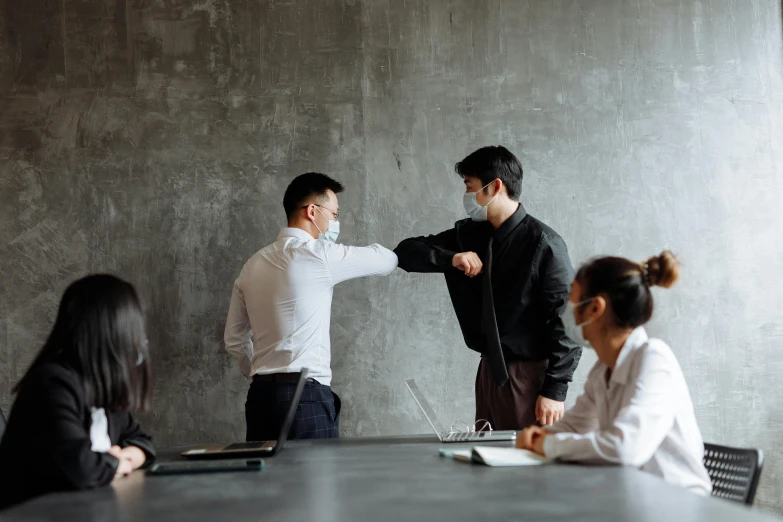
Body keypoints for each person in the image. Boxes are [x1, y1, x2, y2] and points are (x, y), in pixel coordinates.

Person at [395, 146, 581, 430]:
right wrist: (451, 258)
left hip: (529, 375)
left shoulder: (543, 243)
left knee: (527, 466)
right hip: (489, 371)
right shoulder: (469, 234)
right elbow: (406, 252)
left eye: (469, 186)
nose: (467, 195)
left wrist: (555, 390)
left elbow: (569, 321)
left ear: (495, 186)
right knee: (488, 463)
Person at [516, 251, 712, 495]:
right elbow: (576, 426)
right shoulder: (602, 369)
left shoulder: (654, 358)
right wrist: (540, 435)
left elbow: (624, 447)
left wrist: (548, 444)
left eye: (572, 300)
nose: (566, 310)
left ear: (595, 308)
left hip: (677, 503)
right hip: (633, 497)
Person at [224, 172, 398, 441]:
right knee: (314, 482)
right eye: (335, 214)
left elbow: (235, 341)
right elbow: (386, 260)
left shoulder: (252, 265)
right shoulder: (319, 255)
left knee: (265, 483)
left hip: (259, 398)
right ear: (312, 211)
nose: (335, 223)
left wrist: (263, 373)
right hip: (304, 397)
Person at [0, 275, 156, 510]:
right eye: (133, 330)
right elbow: (83, 468)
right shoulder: (51, 384)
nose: (139, 341)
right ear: (112, 332)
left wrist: (121, 459)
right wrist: (115, 461)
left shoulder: (100, 385)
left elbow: (143, 443)